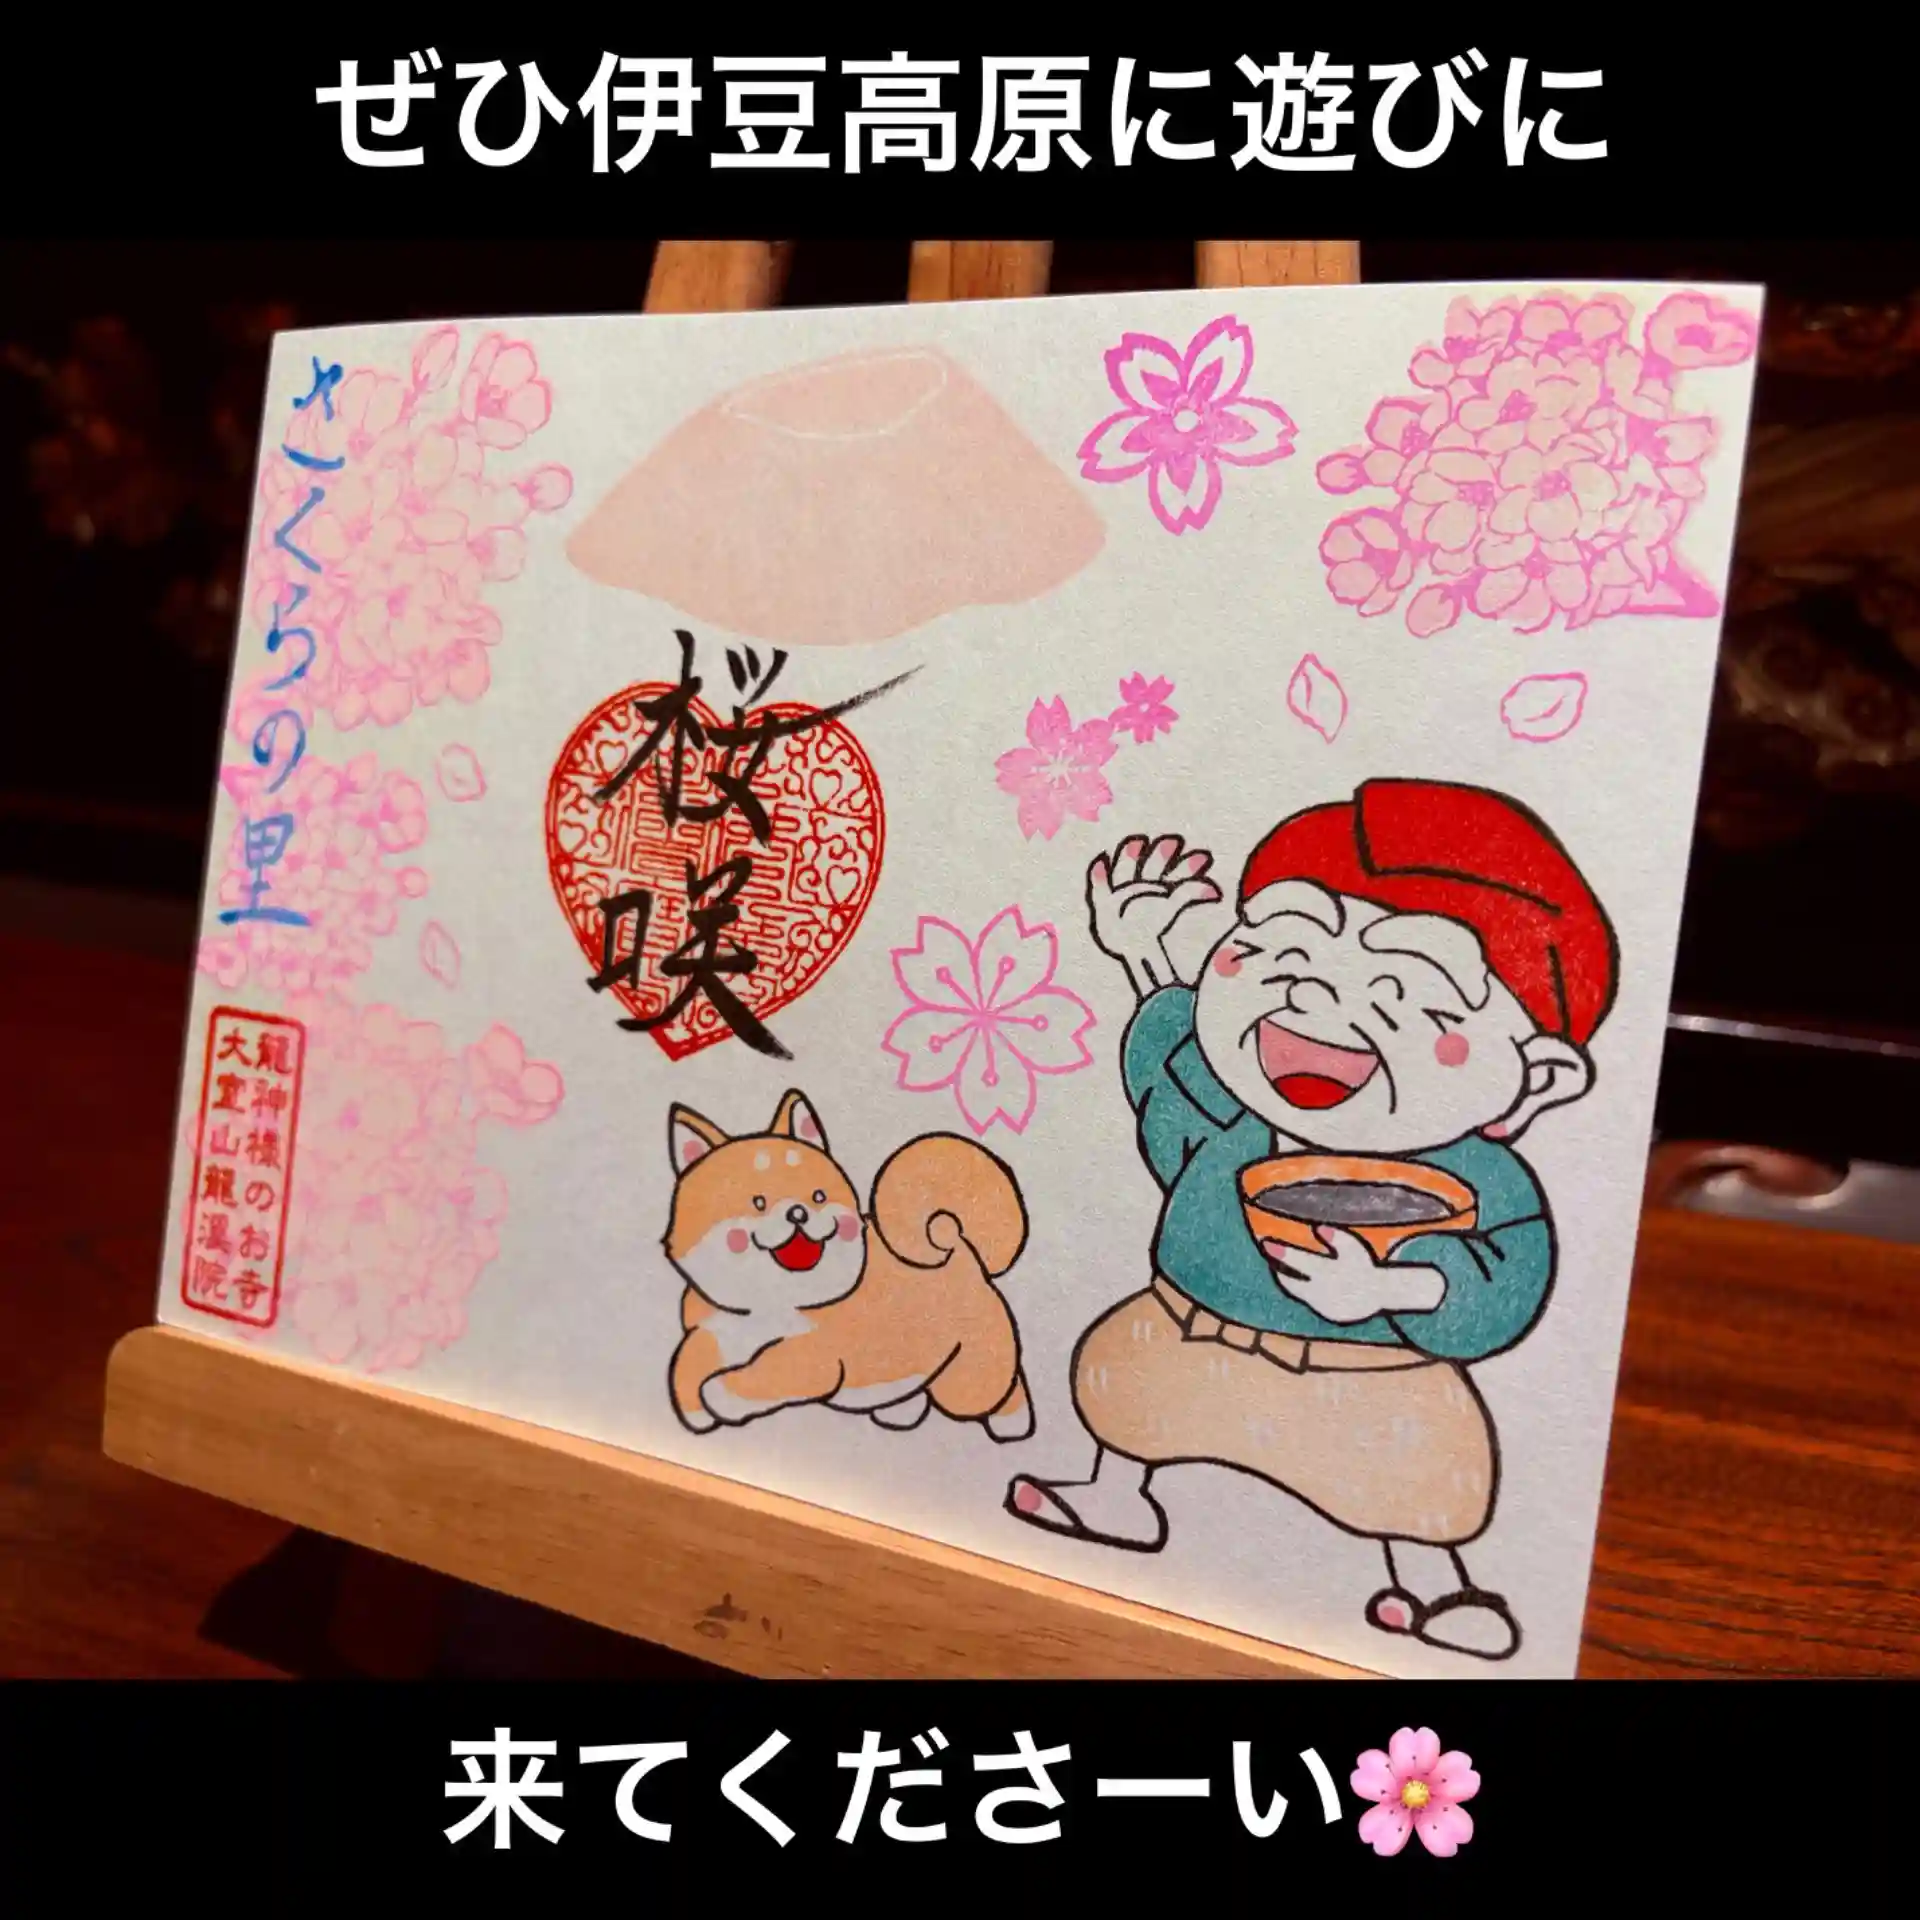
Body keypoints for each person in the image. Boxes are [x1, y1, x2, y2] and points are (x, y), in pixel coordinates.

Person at [1005, 777, 1618, 1660]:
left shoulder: (1482, 1179)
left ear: (1536, 1081)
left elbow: (1506, 1279)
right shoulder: (1237, 1114)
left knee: (1423, 1471)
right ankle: (1116, 1493)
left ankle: (1436, 1585)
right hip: (1194, 1335)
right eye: (1283, 954)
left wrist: (1392, 1287)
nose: (1314, 1004)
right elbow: (1169, 1100)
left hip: (1371, 1380)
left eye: (1403, 992)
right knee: (1125, 1381)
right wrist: (1145, 960)